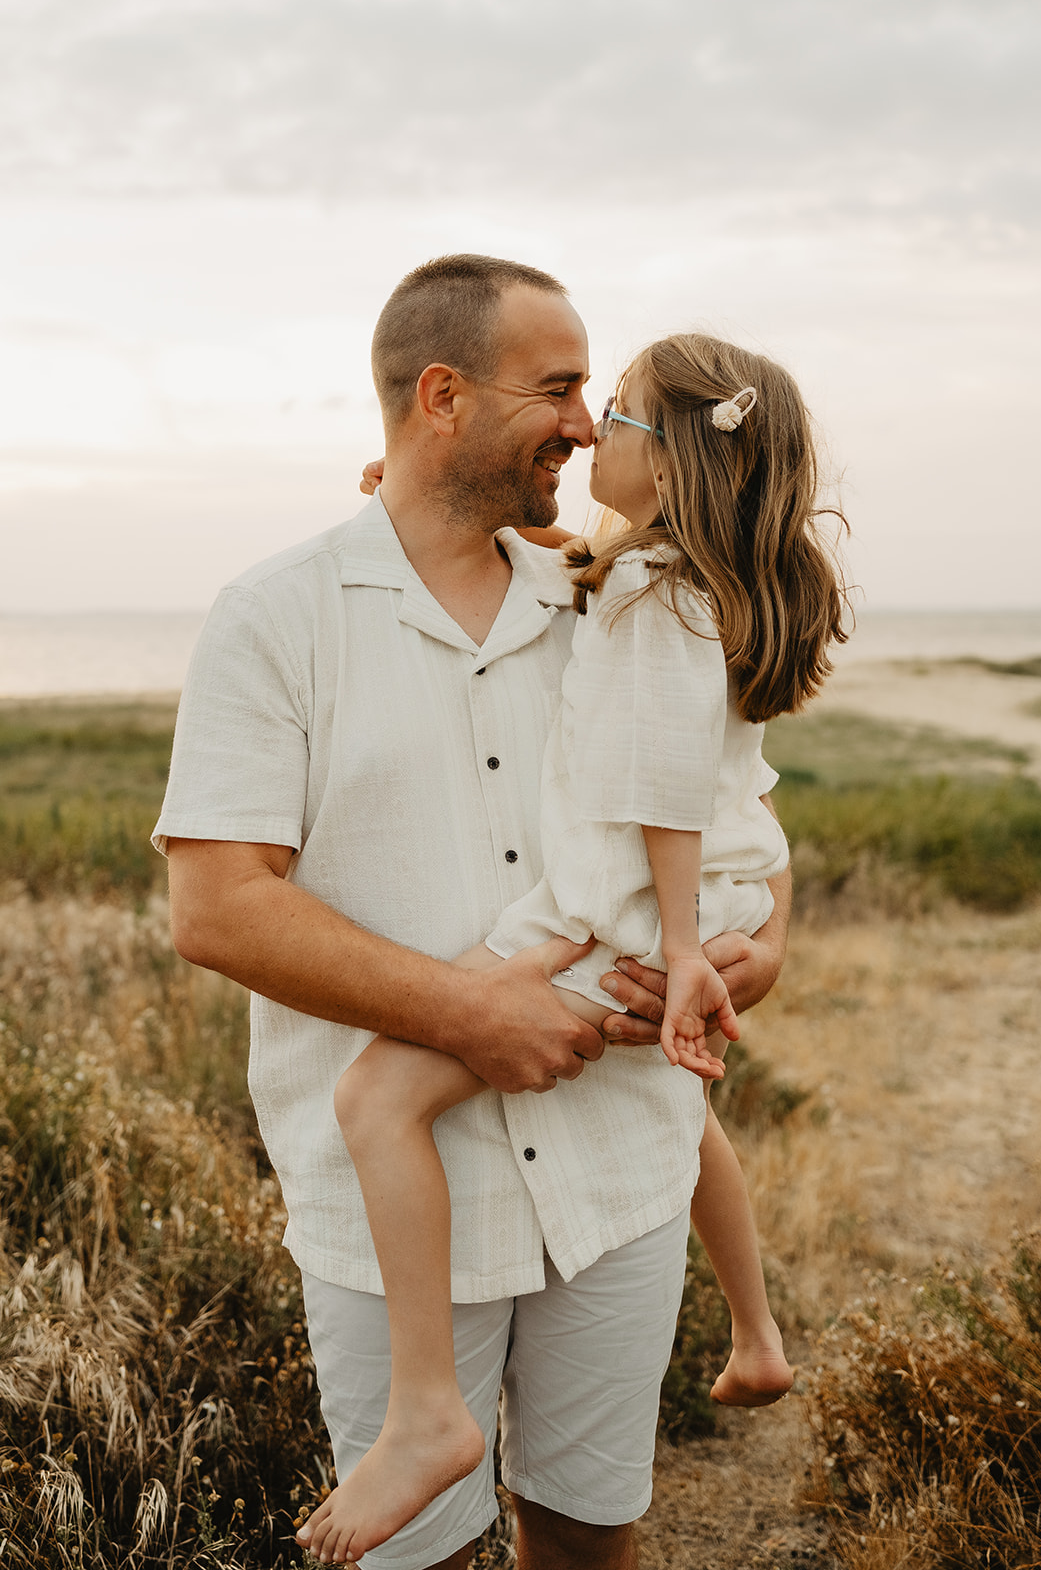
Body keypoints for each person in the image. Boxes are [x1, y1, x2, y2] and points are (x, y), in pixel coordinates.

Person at [154, 254, 794, 1570]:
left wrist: (763, 941)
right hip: (397, 1205)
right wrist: (472, 1014)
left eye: (589, 395)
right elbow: (216, 910)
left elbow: (735, 799)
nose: (579, 421)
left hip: (621, 1178)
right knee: (422, 1560)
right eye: (557, 389)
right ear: (441, 395)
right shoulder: (275, 617)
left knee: (588, 1536)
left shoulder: (606, 592)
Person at [297, 331, 847, 1565]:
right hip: (662, 907)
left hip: (626, 912)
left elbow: (662, 791)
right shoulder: (675, 580)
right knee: (678, 1109)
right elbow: (588, 579)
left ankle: (429, 1410)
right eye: (570, 397)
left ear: (677, 467)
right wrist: (404, 502)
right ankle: (753, 1333)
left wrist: (687, 945)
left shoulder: (654, 600)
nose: (593, 427)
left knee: (378, 1094)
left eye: (619, 415)